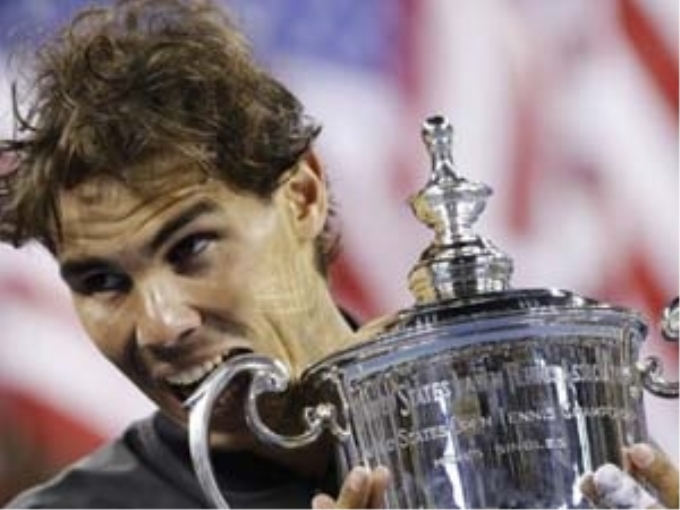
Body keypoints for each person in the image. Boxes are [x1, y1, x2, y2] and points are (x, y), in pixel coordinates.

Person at [0, 0, 675, 508]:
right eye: (101, 281)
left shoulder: (522, 429)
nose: (160, 325)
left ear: (303, 194)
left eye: (192, 249)